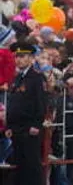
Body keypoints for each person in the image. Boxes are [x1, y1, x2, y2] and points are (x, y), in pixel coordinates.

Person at [7, 39, 46, 184]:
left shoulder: (36, 77)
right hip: (17, 128)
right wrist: (9, 126)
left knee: (32, 165)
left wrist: (37, 124)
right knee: (20, 165)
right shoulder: (17, 78)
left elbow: (41, 102)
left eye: (22, 56)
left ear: (30, 58)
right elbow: (13, 103)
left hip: (29, 127)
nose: (18, 59)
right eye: (17, 56)